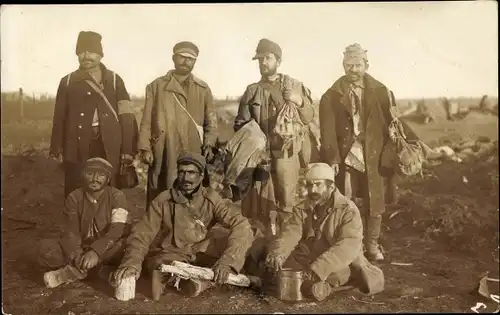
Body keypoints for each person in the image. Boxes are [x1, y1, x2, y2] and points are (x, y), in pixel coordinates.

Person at [113, 152, 253, 298]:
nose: (186, 178)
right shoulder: (163, 200)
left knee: (240, 246)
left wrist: (227, 262)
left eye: (191, 173)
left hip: (201, 251)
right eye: (182, 172)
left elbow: (240, 223)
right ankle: (196, 282)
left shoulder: (211, 198)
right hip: (172, 253)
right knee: (156, 280)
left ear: (200, 176)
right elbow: (143, 233)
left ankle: (205, 280)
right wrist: (132, 262)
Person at [318, 43, 399, 261]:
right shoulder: (331, 96)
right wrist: (332, 159)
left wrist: (394, 146)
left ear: (366, 65)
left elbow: (394, 123)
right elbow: (327, 131)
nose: (352, 69)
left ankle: (371, 245)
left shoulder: (381, 92)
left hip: (374, 153)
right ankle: (349, 246)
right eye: (348, 65)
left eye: (357, 65)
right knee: (346, 199)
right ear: (343, 65)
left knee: (375, 200)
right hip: (346, 156)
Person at [264, 163, 384, 301]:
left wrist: (318, 269)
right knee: (277, 264)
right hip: (309, 257)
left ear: (331, 187)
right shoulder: (302, 207)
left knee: (341, 272)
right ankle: (316, 286)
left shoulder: (348, 209)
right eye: (309, 185)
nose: (312, 189)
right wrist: (279, 253)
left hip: (339, 259)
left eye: (318, 185)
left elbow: (347, 246)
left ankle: (324, 286)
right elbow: (291, 232)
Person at [233, 38, 315, 237]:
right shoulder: (252, 91)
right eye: (259, 59)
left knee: (287, 200)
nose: (263, 63)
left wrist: (298, 100)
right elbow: (240, 123)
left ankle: (286, 242)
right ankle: (263, 241)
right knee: (261, 199)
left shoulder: (294, 86)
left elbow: (309, 116)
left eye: (267, 58)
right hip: (262, 153)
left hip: (288, 151)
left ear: (278, 61)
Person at [49, 30, 138, 198]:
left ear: (100, 55)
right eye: (82, 52)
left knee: (109, 188)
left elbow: (127, 115)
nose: (86, 56)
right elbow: (59, 118)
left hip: (109, 144)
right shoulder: (67, 81)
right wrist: (57, 149)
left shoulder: (113, 79)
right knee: (77, 189)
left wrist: (127, 148)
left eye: (91, 52)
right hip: (77, 144)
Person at [136, 41, 219, 210]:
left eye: (191, 59)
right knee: (162, 187)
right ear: (174, 57)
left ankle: (192, 228)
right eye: (182, 57)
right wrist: (145, 147)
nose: (185, 62)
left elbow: (211, 121)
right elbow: (146, 120)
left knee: (192, 187)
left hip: (193, 147)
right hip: (164, 146)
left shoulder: (203, 89)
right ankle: (159, 227)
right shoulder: (156, 86)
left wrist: (209, 144)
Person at [39, 158, 131, 288]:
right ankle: (95, 271)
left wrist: (95, 252)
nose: (95, 179)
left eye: (101, 175)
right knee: (47, 250)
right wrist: (77, 255)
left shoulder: (117, 196)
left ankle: (69, 274)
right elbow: (71, 231)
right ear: (83, 175)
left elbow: (116, 230)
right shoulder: (74, 197)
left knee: (125, 246)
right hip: (82, 246)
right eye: (90, 174)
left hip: (108, 246)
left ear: (108, 179)